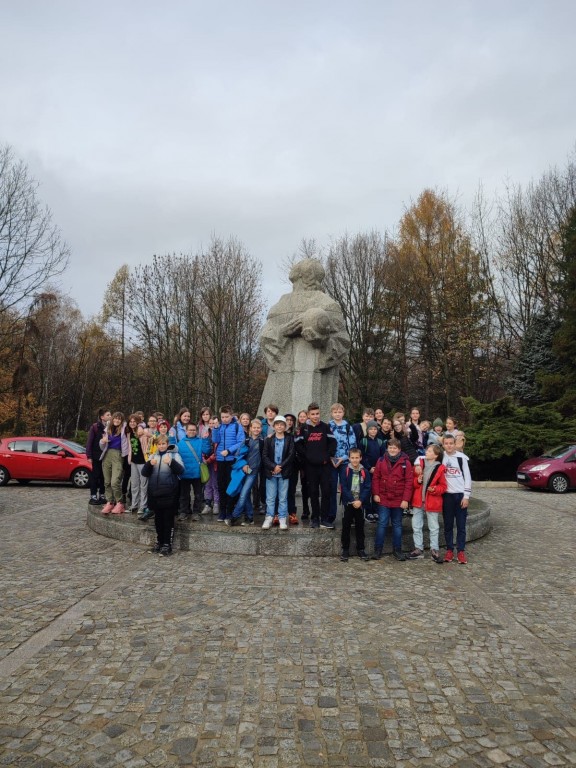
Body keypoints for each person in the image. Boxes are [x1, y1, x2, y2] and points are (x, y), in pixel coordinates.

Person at [141, 434, 184, 556]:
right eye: (159, 444)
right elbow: (144, 473)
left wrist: (171, 462)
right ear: (156, 445)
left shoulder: (174, 456)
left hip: (170, 494)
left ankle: (167, 544)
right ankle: (159, 542)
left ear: (167, 444)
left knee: (168, 520)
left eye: (163, 444)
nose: (161, 446)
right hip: (155, 494)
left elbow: (181, 471)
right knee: (158, 520)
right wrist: (149, 464)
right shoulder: (153, 456)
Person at [371, 438, 413, 561]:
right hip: (383, 497)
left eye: (395, 448)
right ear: (387, 448)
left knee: (397, 525)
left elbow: (409, 482)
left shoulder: (406, 462)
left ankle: (397, 550)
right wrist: (376, 493)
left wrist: (406, 499)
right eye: (390, 447)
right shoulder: (381, 460)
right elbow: (376, 477)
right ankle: (377, 550)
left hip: (398, 499)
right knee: (382, 524)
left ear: (399, 449)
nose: (392, 450)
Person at [295, 402, 336, 529]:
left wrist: (327, 456)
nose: (315, 416)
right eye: (312, 414)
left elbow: (333, 443)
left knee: (326, 492)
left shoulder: (325, 427)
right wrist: (307, 456)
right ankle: (315, 518)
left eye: (317, 413)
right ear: (308, 415)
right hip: (310, 467)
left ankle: (324, 519)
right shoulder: (303, 429)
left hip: (324, 466)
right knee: (313, 493)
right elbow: (298, 445)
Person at [407, 444, 447, 562]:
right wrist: (417, 481)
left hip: (432, 502)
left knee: (434, 527)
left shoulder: (440, 468)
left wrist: (435, 490)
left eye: (430, 451)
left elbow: (443, 486)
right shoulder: (420, 465)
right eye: (427, 450)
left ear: (436, 455)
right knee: (416, 525)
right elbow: (413, 482)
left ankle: (434, 549)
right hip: (418, 501)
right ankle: (418, 548)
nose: (427, 452)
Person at [442, 433, 472, 564]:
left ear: (455, 444)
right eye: (446, 443)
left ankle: (460, 551)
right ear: (443, 445)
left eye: (451, 443)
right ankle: (449, 550)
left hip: (460, 495)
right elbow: (423, 457)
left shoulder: (462, 458)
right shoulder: (440, 456)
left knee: (461, 526)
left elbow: (468, 478)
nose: (449, 446)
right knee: (448, 525)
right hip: (447, 496)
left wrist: (466, 496)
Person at [212, 406, 245, 522]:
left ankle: (229, 510)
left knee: (231, 486)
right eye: (222, 417)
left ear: (231, 416)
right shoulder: (219, 427)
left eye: (227, 417)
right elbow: (215, 440)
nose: (225, 419)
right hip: (221, 460)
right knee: (221, 486)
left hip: (232, 460)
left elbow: (241, 442)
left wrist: (229, 450)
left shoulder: (237, 426)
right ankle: (222, 511)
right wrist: (215, 429)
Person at [262, 415, 295, 530]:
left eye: (282, 424)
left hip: (284, 472)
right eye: (277, 424)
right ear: (274, 426)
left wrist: (280, 466)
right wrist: (273, 466)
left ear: (285, 426)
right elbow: (264, 456)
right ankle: (269, 517)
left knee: (282, 497)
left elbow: (291, 455)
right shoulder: (269, 439)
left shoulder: (290, 439)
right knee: (270, 497)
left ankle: (282, 518)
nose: (279, 426)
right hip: (271, 472)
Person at [229, 419, 264, 526]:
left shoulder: (263, 441)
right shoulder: (246, 441)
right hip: (244, 470)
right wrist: (244, 465)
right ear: (250, 429)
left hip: (254, 472)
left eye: (258, 428)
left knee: (243, 494)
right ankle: (249, 518)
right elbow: (238, 455)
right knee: (246, 494)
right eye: (254, 427)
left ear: (261, 429)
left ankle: (235, 516)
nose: (256, 429)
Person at [339, 448, 371, 562]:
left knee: (360, 527)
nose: (355, 460)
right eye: (352, 458)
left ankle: (361, 549)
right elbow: (344, 487)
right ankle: (345, 549)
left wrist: (360, 500)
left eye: (357, 457)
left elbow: (367, 487)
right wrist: (352, 500)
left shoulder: (364, 471)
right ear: (349, 458)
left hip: (360, 504)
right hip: (349, 502)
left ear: (360, 458)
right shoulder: (345, 470)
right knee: (346, 526)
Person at [328, 403, 357, 526]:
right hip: (331, 462)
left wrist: (343, 458)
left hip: (345, 462)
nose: (337, 414)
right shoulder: (328, 426)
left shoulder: (348, 427)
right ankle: (331, 515)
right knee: (331, 488)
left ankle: (348, 514)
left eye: (340, 412)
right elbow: (325, 443)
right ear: (332, 413)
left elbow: (353, 445)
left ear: (343, 413)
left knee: (346, 488)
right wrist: (331, 458)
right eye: (335, 412)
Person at [177, 423, 212, 522]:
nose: (192, 431)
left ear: (196, 431)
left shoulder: (200, 441)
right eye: (190, 430)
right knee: (184, 495)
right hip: (184, 473)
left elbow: (207, 451)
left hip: (197, 473)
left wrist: (205, 440)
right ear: (186, 431)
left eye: (193, 430)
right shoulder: (180, 443)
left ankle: (196, 512)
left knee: (198, 495)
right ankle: (184, 512)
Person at [100, 412, 131, 515]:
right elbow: (102, 446)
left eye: (119, 419)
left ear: (122, 421)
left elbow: (128, 443)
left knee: (115, 482)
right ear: (112, 419)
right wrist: (102, 442)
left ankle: (120, 502)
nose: (117, 420)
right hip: (107, 455)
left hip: (118, 455)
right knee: (107, 482)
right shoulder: (108, 429)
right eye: (115, 419)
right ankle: (110, 502)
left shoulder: (124, 429)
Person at [359, 420, 386, 523]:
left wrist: (378, 468)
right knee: (367, 490)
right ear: (367, 430)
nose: (373, 431)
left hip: (378, 470)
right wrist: (369, 468)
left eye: (375, 429)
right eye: (371, 429)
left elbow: (382, 456)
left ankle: (376, 510)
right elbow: (362, 456)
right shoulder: (363, 441)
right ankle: (368, 511)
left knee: (376, 490)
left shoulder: (380, 442)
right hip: (366, 470)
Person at [86, 407, 111, 505]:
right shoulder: (95, 427)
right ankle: (93, 496)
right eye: (108, 415)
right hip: (96, 456)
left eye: (110, 414)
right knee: (95, 476)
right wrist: (89, 456)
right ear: (102, 417)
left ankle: (102, 495)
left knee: (104, 476)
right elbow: (89, 442)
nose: (110, 416)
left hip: (106, 456)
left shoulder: (110, 427)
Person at [127, 413, 148, 517]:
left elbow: (150, 435)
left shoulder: (143, 432)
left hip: (143, 461)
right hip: (134, 462)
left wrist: (142, 428)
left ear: (138, 422)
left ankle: (143, 505)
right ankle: (134, 504)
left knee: (143, 485)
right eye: (130, 421)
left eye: (134, 421)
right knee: (134, 484)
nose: (132, 423)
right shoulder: (129, 433)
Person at [295, 410, 311, 520]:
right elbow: (297, 445)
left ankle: (313, 509)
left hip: (311, 461)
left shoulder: (311, 428)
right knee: (304, 486)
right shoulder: (296, 430)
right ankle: (305, 509)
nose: (302, 418)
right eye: (300, 416)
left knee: (311, 487)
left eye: (304, 416)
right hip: (300, 462)